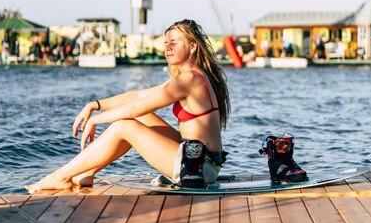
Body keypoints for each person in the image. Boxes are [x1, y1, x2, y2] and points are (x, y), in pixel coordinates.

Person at [26, 19, 230, 193]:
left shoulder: (188, 80)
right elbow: (138, 96)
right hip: (199, 162)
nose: (168, 48)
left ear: (193, 46)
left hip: (197, 169)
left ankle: (60, 176)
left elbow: (135, 108)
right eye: (166, 43)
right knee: (139, 119)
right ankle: (86, 173)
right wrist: (95, 105)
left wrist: (96, 120)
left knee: (124, 126)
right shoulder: (192, 76)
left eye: (174, 43)